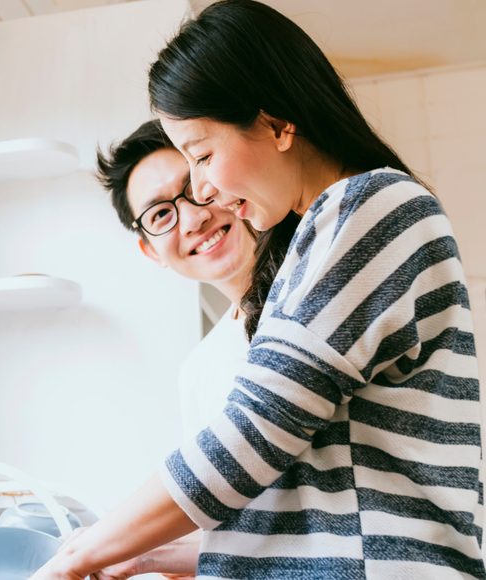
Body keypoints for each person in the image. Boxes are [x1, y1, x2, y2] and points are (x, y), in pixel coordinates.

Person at [33, 1, 484, 578]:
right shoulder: (315, 246)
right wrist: (143, 555)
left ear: (275, 123)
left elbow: (253, 434)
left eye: (201, 156)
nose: (204, 193)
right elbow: (293, 501)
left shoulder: (374, 208)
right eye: (162, 212)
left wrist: (77, 554)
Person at [93, 120, 300, 577]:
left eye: (195, 187)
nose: (193, 218)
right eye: (161, 214)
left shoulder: (307, 298)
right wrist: (135, 558)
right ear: (150, 251)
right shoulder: (198, 371)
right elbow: (238, 535)